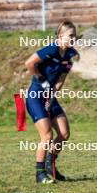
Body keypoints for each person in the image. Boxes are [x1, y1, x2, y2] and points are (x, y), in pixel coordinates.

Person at [25, 19, 79, 184]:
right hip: (35, 97)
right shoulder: (51, 49)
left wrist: (52, 96)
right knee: (47, 136)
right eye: (70, 35)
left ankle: (51, 166)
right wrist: (41, 79)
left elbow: (61, 79)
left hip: (49, 96)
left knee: (64, 133)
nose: (73, 38)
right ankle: (40, 174)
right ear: (60, 35)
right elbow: (29, 63)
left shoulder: (70, 54)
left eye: (75, 35)